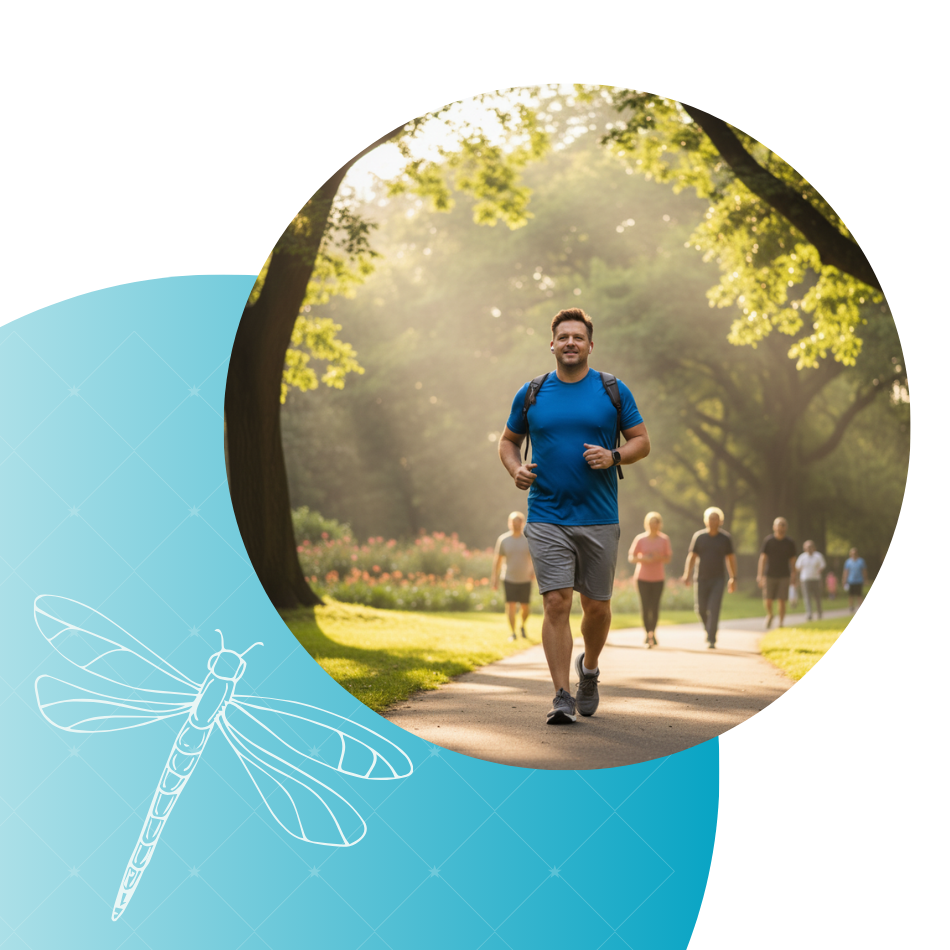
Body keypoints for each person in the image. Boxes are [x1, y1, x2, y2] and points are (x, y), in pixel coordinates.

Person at [498, 308, 650, 725]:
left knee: (596, 607)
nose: (569, 343)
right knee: (555, 602)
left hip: (600, 516)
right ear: (552, 344)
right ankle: (560, 694)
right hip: (546, 514)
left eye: (577, 337)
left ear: (589, 345)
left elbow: (641, 441)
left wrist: (614, 454)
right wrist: (516, 469)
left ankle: (590, 669)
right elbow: (508, 442)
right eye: (562, 336)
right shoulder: (532, 392)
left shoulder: (612, 390)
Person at [682, 507, 737, 649]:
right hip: (701, 578)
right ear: (706, 521)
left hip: (718, 579)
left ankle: (712, 638)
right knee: (700, 609)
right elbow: (692, 557)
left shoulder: (725, 538)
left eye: (716, 518)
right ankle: (709, 629)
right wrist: (686, 574)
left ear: (720, 521)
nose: (713, 521)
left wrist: (733, 578)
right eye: (711, 518)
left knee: (714, 608)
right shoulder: (699, 537)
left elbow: (730, 559)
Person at [627, 511, 672, 648]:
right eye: (651, 523)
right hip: (642, 578)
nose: (654, 526)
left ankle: (653, 632)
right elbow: (631, 558)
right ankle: (648, 634)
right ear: (647, 524)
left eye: (656, 523)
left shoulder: (664, 539)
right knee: (645, 607)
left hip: (658, 578)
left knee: (655, 606)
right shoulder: (640, 539)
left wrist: (658, 557)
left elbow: (668, 558)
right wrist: (644, 558)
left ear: (659, 525)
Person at [491, 511, 535, 641]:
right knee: (510, 605)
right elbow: (497, 560)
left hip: (525, 579)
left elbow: (534, 558)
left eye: (518, 523)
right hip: (509, 578)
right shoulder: (503, 540)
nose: (516, 525)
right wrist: (494, 578)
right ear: (510, 524)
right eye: (513, 523)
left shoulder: (528, 539)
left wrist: (533, 571)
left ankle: (522, 626)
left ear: (522, 523)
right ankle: (513, 633)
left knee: (525, 607)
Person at [757, 517, 798, 630]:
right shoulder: (769, 541)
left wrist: (794, 575)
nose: (781, 527)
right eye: (779, 525)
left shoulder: (790, 542)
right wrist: (760, 575)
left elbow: (793, 560)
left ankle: (781, 623)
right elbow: (763, 558)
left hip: (784, 575)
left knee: (782, 600)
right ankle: (770, 614)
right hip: (769, 575)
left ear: (786, 528)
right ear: (774, 527)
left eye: (783, 525)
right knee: (768, 600)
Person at [795, 540, 827, 621]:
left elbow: (823, 565)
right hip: (805, 579)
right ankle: (809, 614)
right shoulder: (802, 557)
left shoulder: (818, 556)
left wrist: (819, 570)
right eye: (807, 547)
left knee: (817, 597)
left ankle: (819, 613)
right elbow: (797, 567)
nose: (809, 549)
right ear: (804, 548)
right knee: (807, 597)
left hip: (816, 579)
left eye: (810, 547)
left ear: (814, 547)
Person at [842, 547, 869, 613]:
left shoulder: (861, 561)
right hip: (851, 581)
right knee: (851, 595)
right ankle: (851, 607)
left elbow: (864, 571)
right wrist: (844, 580)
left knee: (859, 595)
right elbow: (846, 571)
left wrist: (866, 579)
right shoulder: (848, 562)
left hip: (859, 581)